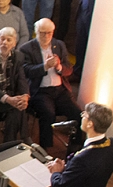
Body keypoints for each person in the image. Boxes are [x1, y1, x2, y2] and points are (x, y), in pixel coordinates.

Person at [19, 18, 81, 150]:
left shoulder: (59, 45)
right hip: (40, 91)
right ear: (36, 32)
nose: (46, 36)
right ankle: (45, 149)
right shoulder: (27, 48)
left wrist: (59, 67)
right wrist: (45, 66)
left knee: (78, 113)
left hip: (60, 90)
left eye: (49, 33)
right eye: (42, 33)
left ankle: (75, 146)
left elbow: (69, 69)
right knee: (48, 114)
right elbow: (26, 71)